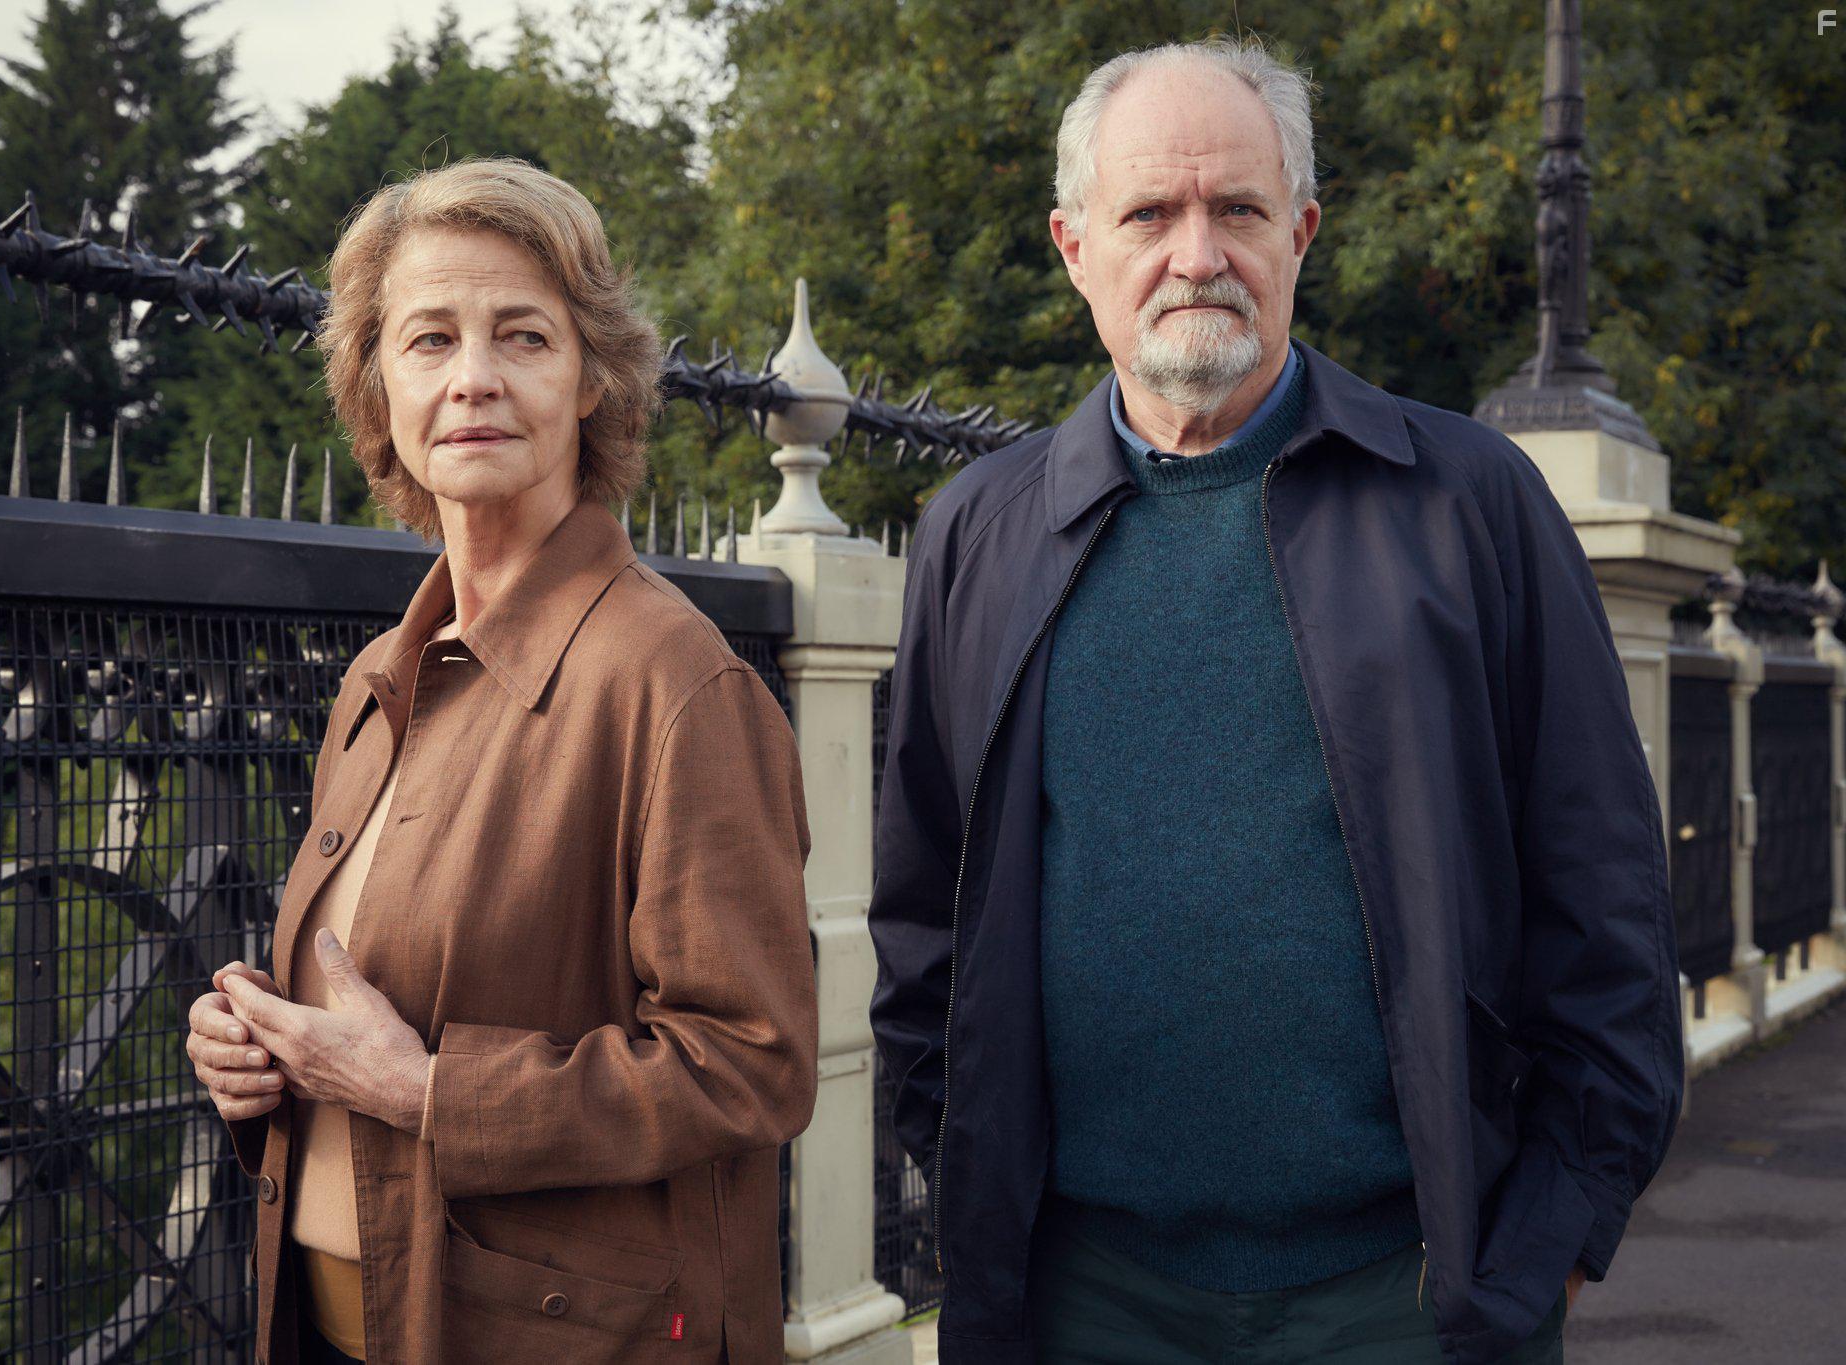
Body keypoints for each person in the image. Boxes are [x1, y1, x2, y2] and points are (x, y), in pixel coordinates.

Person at [867, 38, 1682, 1365]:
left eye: (1237, 209)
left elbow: (1605, 897)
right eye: (1149, 213)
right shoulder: (978, 533)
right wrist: (967, 1176)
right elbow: (921, 914)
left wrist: (1553, 1236)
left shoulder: (1468, 504)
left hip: (1410, 1293)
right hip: (1082, 1298)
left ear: (1299, 233)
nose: (1196, 255)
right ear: (1074, 248)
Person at [181, 157, 818, 1364]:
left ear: (590, 379)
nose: (472, 377)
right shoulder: (377, 681)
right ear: (377, 385)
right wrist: (260, 1056)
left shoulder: (676, 684)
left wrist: (426, 1090)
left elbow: (752, 1067)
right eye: (428, 340)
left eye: (522, 336)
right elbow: (374, 1008)